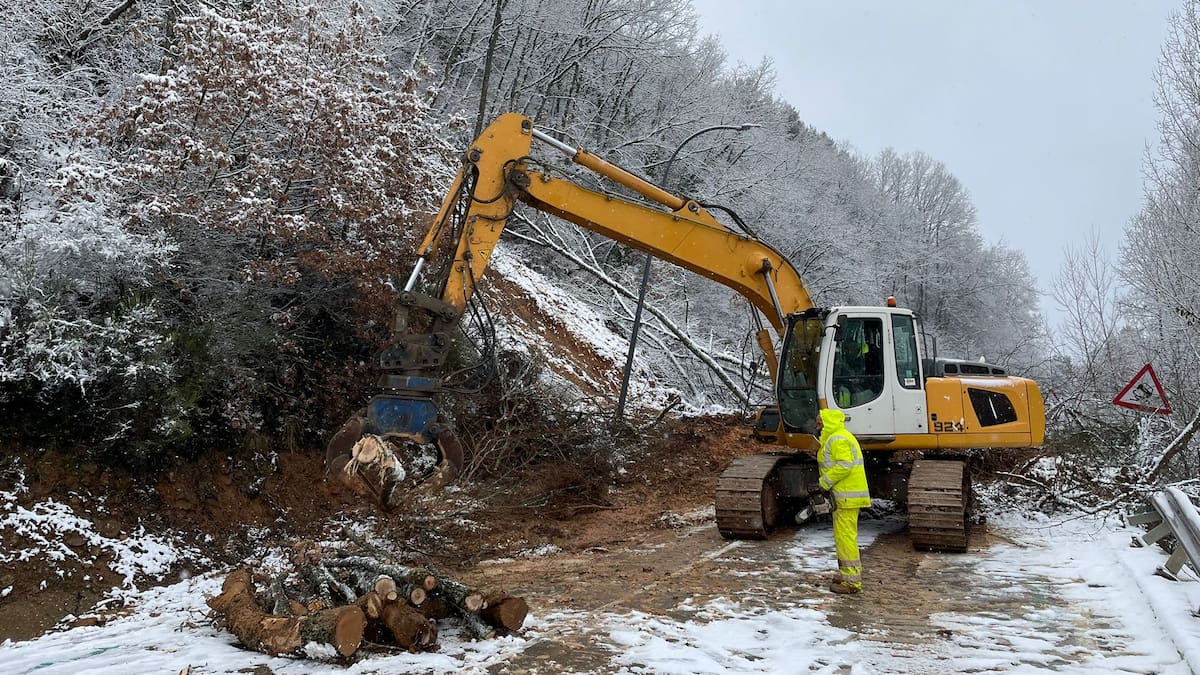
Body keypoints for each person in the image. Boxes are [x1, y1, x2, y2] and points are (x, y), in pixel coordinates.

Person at [816, 408, 871, 594]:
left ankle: (851, 582)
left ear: (827, 421)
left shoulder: (837, 439)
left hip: (847, 496)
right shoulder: (837, 437)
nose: (817, 424)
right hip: (845, 495)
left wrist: (824, 482)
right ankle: (847, 573)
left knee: (845, 538)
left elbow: (844, 464)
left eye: (820, 420)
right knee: (844, 537)